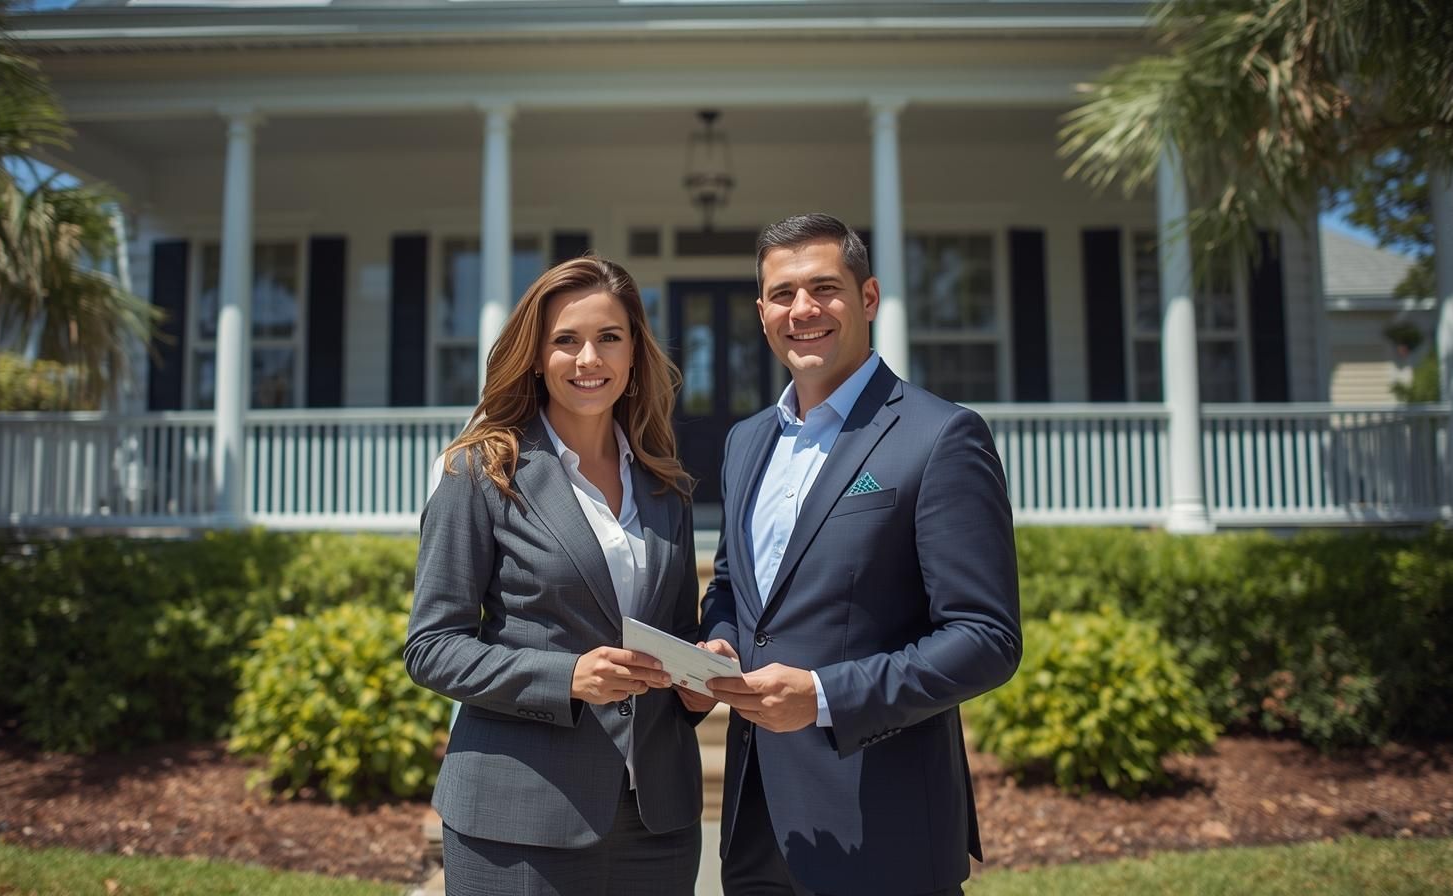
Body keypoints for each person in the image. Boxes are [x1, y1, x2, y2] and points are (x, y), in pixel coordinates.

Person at [690, 214, 1023, 895]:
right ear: (762, 312)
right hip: (754, 831)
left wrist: (821, 697)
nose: (802, 310)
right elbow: (731, 588)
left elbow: (986, 639)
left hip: (883, 832)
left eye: (824, 288)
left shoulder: (940, 437)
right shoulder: (746, 442)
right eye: (783, 294)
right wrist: (719, 644)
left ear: (867, 298)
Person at [404, 255, 704, 896]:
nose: (588, 358)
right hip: (518, 818)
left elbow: (677, 632)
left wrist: (700, 677)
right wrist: (567, 677)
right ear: (538, 358)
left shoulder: (664, 486)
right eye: (565, 341)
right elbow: (431, 648)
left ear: (633, 356)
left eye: (608, 338)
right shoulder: (482, 473)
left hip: (658, 824)